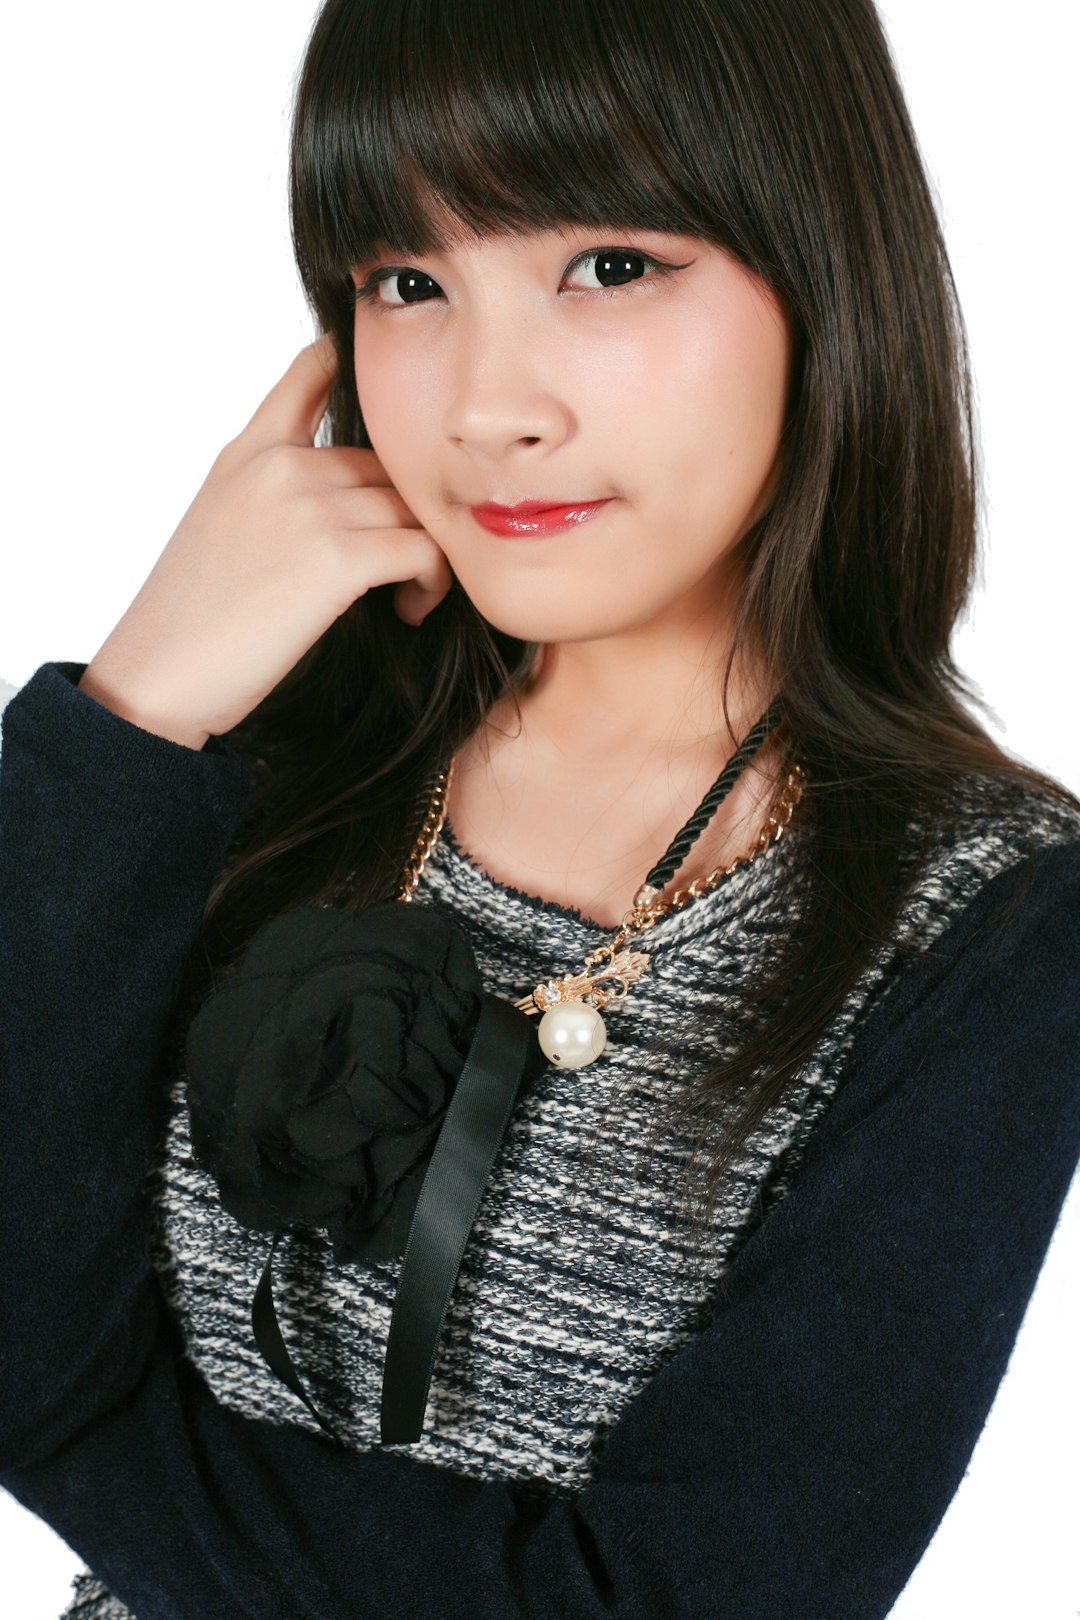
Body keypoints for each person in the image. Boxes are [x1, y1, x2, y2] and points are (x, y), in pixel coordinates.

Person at [1, 0, 1078, 1615]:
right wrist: (129, 715)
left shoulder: (986, 922)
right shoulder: (257, 754)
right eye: (407, 282)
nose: (489, 407)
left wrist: (71, 1414)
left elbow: (680, 1598)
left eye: (609, 265)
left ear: (823, 276)